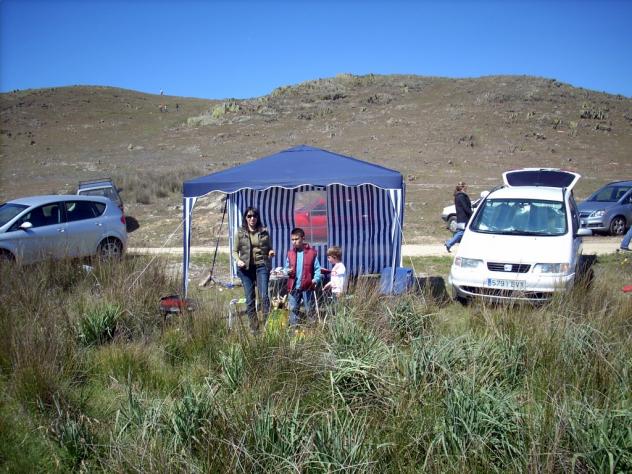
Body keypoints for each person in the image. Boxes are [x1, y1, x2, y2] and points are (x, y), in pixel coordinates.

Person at [233, 207, 275, 332]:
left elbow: (269, 248)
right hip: (246, 268)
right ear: (245, 218)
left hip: (262, 266)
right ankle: (254, 328)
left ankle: (268, 326)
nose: (252, 218)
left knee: (264, 296)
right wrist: (238, 260)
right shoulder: (240, 232)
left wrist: (271, 252)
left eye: (254, 216)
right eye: (249, 216)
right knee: (250, 298)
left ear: (257, 218)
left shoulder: (264, 231)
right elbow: (234, 251)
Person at [284, 227, 322, 326]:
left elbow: (318, 269)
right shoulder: (290, 253)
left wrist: (315, 279)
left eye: (296, 239)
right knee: (293, 309)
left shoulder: (312, 253)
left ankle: (312, 329)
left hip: (307, 286)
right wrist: (287, 271)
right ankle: (293, 329)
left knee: (309, 309)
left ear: (303, 238)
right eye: (292, 239)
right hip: (293, 287)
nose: (294, 242)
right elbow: (286, 268)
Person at [445, 181, 472, 253]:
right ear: (463, 187)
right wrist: (471, 214)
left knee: (462, 232)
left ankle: (450, 243)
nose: (467, 187)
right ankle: (449, 243)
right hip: (464, 217)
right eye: (466, 186)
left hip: (461, 217)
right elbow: (465, 207)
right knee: (461, 232)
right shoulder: (461, 196)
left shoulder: (459, 195)